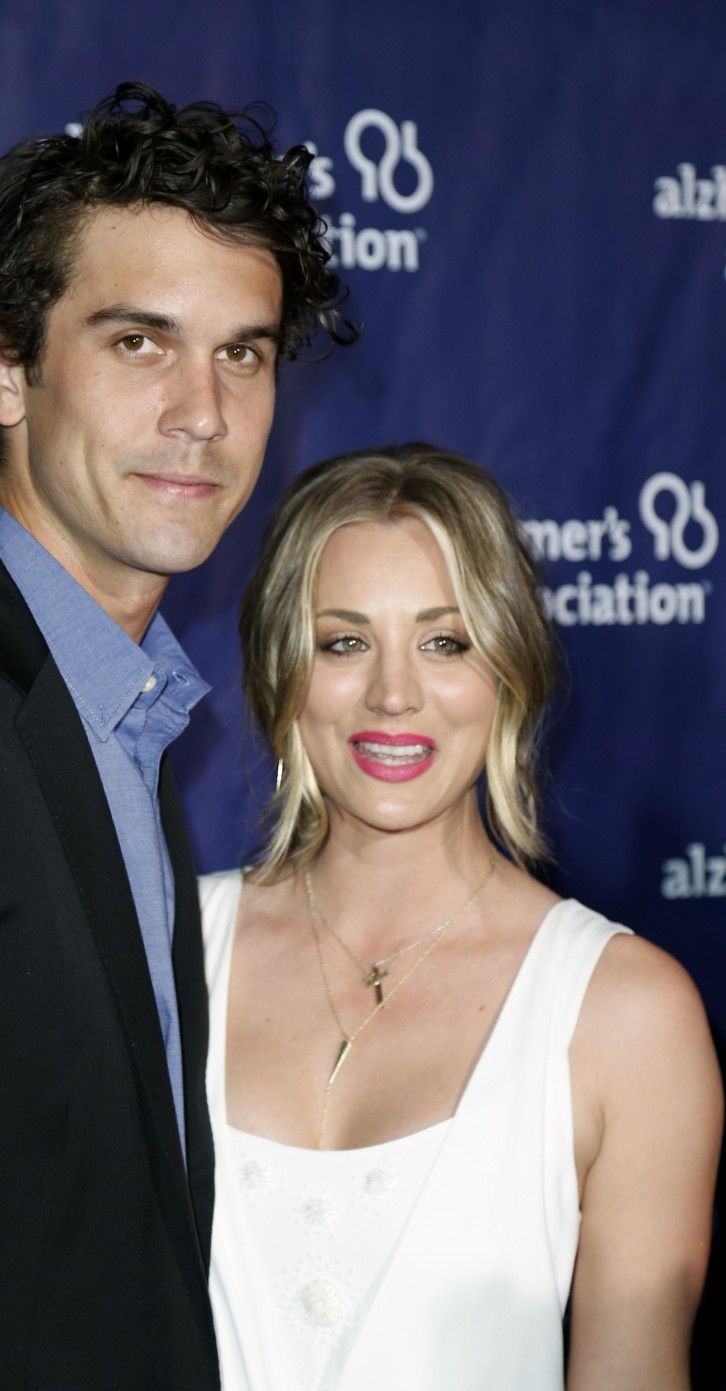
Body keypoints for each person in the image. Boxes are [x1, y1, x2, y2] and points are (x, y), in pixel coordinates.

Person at [0, 83, 352, 1388]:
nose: (203, 411)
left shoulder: (112, 705)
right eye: (140, 343)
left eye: (244, 351)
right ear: (2, 363)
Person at [199, 442, 723, 1390]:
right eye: (343, 641)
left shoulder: (626, 1014)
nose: (394, 694)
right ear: (282, 671)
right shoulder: (164, 948)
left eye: (446, 642)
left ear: (509, 671)